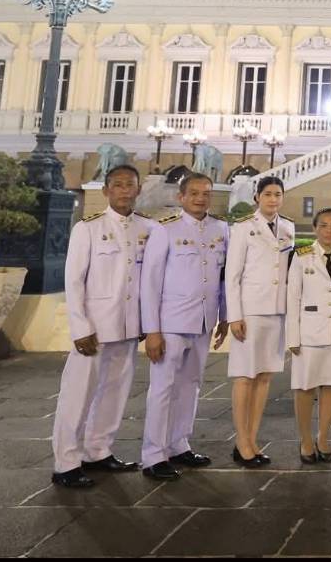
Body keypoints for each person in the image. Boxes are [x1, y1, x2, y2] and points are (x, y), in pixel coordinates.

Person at [49, 164, 150, 488]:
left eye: (129, 185)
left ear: (138, 190)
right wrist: (80, 327)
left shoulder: (146, 227)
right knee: (77, 395)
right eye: (117, 185)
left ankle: (98, 450)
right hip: (95, 328)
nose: (124, 190)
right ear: (106, 191)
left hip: (128, 326)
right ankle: (66, 463)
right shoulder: (88, 228)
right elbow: (74, 281)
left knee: (114, 393)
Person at [138, 171, 229, 480]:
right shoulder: (165, 229)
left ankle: (179, 444)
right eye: (194, 193)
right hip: (171, 322)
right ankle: (154, 455)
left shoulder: (220, 229)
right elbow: (150, 282)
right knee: (163, 388)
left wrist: (225, 315)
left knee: (191, 385)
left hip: (203, 320)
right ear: (181, 197)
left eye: (206, 193)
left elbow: (223, 278)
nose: (200, 198)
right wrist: (152, 330)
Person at [224, 175, 293, 466]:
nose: (273, 199)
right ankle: (241, 441)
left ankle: (252, 439)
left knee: (264, 376)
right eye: (268, 194)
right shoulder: (243, 228)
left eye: (277, 194)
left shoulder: (287, 227)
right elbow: (232, 275)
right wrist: (234, 316)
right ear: (257, 197)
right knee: (244, 377)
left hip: (276, 311)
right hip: (250, 311)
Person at [287, 208, 331, 463]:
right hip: (309, 333)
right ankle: (306, 440)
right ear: (315, 228)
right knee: (305, 387)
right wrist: (292, 337)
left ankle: (324, 437)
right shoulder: (302, 256)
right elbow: (293, 298)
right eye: (324, 225)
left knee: (330, 386)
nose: (329, 230)